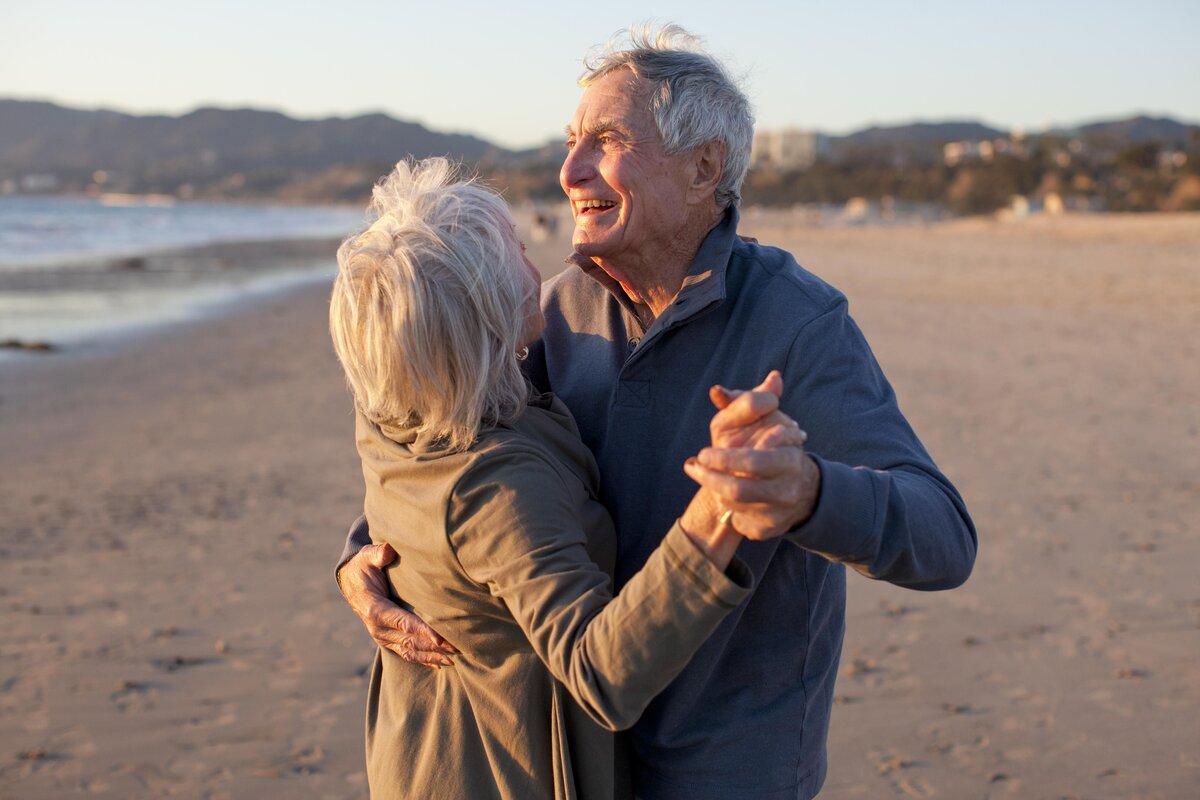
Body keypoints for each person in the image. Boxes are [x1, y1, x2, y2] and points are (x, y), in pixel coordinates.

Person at [337, 25, 977, 800]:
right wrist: (362, 558)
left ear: (705, 166)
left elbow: (943, 538)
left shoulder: (797, 323)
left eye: (606, 140)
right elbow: (450, 452)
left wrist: (805, 493)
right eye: (571, 141)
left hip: (729, 769)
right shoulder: (553, 310)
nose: (571, 170)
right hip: (571, 762)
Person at [328, 156, 821, 799]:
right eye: (521, 254)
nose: (541, 270)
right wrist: (718, 508)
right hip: (499, 773)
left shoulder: (393, 413)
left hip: (422, 752)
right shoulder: (498, 491)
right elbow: (600, 676)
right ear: (493, 314)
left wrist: (351, 565)